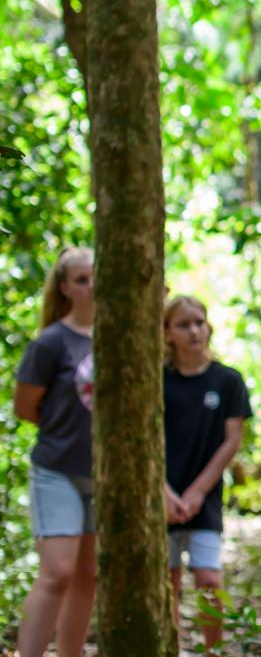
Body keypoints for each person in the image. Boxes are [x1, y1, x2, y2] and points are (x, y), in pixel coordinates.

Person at [14, 247, 96, 657]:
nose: (92, 285)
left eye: (96, 275)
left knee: (87, 575)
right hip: (57, 471)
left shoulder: (120, 337)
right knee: (58, 572)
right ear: (65, 288)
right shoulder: (50, 343)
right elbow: (25, 407)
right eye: (82, 279)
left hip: (103, 477)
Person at [162, 295, 250, 650]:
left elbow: (232, 441)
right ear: (167, 333)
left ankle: (212, 650)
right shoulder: (156, 380)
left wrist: (197, 492)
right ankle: (170, 647)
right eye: (183, 324)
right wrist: (164, 492)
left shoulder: (228, 380)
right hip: (161, 497)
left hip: (206, 498)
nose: (194, 331)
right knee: (166, 581)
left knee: (209, 579)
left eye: (199, 322)